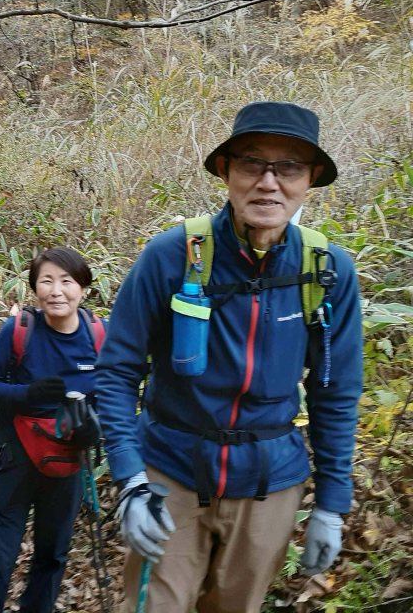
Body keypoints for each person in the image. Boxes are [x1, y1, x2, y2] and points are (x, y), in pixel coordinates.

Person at [95, 102, 363, 613]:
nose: (268, 182)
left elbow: (337, 390)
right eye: (251, 164)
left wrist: (332, 503)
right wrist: (129, 478)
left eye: (289, 168)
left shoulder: (327, 270)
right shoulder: (172, 254)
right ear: (225, 171)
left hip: (270, 482)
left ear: (310, 180)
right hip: (171, 472)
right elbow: (117, 371)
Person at [0, 248, 102, 613]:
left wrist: (94, 428)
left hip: (67, 461)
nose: (56, 291)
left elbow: (110, 397)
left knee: (53, 554)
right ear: (34, 288)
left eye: (67, 281)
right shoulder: (19, 331)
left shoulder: (98, 337)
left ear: (84, 289)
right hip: (13, 457)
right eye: (46, 281)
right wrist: (27, 394)